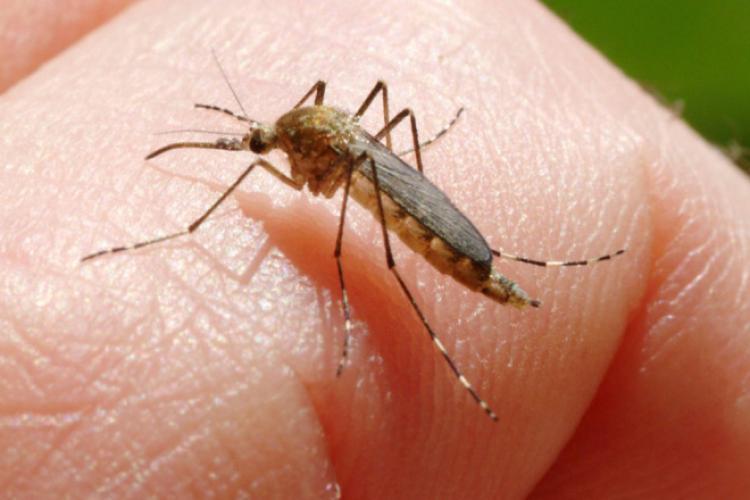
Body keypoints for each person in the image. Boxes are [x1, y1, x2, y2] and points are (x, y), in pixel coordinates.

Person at [1, 0, 748, 497]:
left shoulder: (304, 146)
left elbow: (332, 191)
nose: (259, 150)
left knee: (378, 250)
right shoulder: (296, 131)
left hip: (405, 200)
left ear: (280, 138)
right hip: (367, 161)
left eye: (261, 140)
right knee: (368, 160)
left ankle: (455, 323)